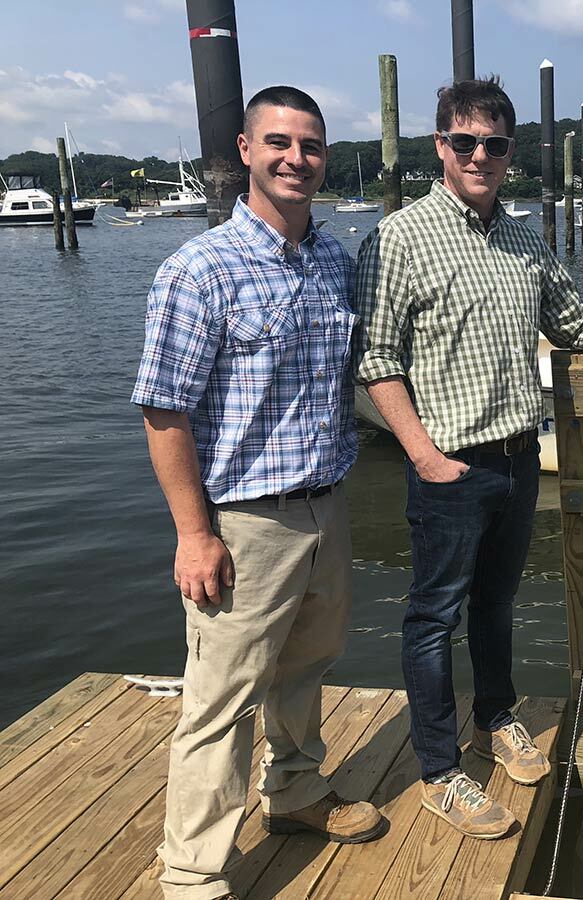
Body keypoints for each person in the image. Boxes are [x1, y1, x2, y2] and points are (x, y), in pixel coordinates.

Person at [354, 76, 583, 839]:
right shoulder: (398, 236)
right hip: (449, 465)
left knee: (494, 606)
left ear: (509, 152)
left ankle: (496, 718)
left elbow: (579, 325)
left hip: (520, 457)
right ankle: (437, 770)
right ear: (440, 147)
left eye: (493, 143)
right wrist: (422, 455)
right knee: (432, 619)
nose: (480, 155)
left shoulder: (525, 238)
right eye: (465, 142)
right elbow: (375, 359)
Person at [132, 86, 385, 900]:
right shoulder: (197, 270)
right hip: (241, 522)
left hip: (326, 504)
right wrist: (193, 534)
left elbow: (362, 379)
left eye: (310, 145)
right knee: (220, 702)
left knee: (309, 663)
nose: (295, 159)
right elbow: (164, 411)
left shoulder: (336, 262)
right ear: (245, 150)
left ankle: (297, 792)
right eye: (277, 142)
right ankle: (194, 872)